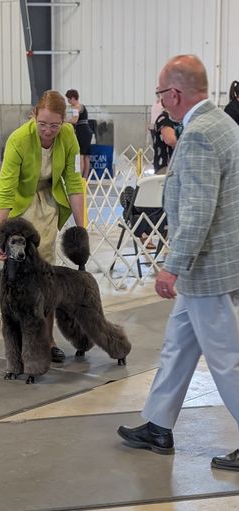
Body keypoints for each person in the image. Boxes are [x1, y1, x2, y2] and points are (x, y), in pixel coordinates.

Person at [117, 54, 239, 471]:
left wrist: (172, 264)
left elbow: (198, 210)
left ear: (174, 93)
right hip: (212, 263)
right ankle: (157, 424)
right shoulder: (222, 123)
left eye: (159, 93)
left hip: (205, 267)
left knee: (226, 359)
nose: (160, 101)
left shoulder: (201, 133)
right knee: (177, 346)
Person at [0, 90, 84, 363]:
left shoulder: (69, 137)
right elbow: (5, 190)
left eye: (55, 125)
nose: (48, 130)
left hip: (47, 203)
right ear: (34, 115)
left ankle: (48, 342)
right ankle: (16, 348)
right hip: (16, 204)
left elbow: (74, 182)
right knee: (15, 282)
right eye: (43, 123)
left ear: (64, 122)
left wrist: (81, 228)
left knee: (44, 277)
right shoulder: (18, 140)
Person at [65, 89, 93, 180]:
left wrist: (64, 121)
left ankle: (79, 178)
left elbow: (74, 120)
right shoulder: (82, 106)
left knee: (80, 155)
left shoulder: (75, 108)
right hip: (87, 131)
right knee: (86, 156)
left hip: (82, 132)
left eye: (69, 100)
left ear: (73, 98)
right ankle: (85, 178)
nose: (69, 102)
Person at [152, 109, 182, 174]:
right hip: (166, 166)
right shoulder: (164, 118)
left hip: (177, 165)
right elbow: (170, 140)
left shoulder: (178, 119)